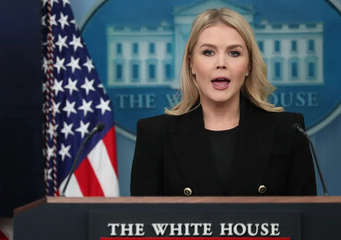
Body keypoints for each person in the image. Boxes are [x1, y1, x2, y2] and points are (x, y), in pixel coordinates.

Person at [130, 8, 316, 196]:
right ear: (191, 64)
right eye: (208, 52)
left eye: (234, 53)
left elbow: (308, 221)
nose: (221, 63)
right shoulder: (154, 134)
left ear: (249, 66)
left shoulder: (288, 131)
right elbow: (142, 222)